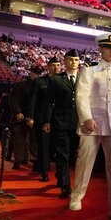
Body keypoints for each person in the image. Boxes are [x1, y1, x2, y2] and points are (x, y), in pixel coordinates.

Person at [69, 33, 111, 218]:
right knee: (84, 162)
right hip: (91, 124)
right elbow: (81, 94)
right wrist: (86, 117)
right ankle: (76, 197)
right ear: (100, 48)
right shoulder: (89, 69)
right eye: (108, 47)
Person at [45, 49, 81, 199]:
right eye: (71, 59)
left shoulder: (83, 79)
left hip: (77, 122)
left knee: (71, 153)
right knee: (63, 153)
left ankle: (61, 175)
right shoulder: (55, 80)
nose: (73, 62)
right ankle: (66, 186)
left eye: (76, 60)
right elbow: (49, 103)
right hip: (60, 122)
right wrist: (47, 121)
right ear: (65, 61)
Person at [27, 57, 60, 181]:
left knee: (54, 146)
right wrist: (30, 117)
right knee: (44, 145)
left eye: (58, 65)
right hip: (41, 118)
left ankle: (41, 164)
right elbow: (33, 100)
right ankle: (44, 172)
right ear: (48, 67)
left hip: (59, 119)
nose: (56, 68)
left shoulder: (63, 81)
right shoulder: (40, 81)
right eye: (53, 65)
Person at [9, 66, 42, 169]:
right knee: (20, 138)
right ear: (31, 73)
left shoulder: (42, 86)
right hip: (22, 116)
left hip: (35, 117)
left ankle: (35, 161)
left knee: (34, 140)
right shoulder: (21, 85)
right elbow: (15, 100)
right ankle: (18, 160)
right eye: (35, 73)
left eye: (39, 74)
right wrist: (17, 112)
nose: (37, 76)